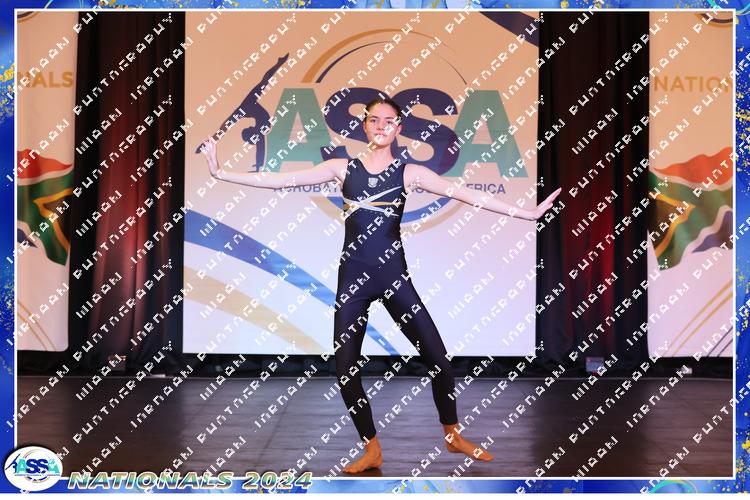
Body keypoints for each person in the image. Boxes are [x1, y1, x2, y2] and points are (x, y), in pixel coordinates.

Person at [200, 98, 562, 474]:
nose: (381, 126)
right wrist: (220, 172)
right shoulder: (342, 168)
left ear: (399, 128)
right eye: (374, 120)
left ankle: (452, 434)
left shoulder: (409, 172)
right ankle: (371, 449)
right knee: (345, 368)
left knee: (438, 359)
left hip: (393, 277)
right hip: (353, 281)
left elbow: (466, 194)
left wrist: (528, 213)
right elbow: (279, 180)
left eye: (389, 121)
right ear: (365, 126)